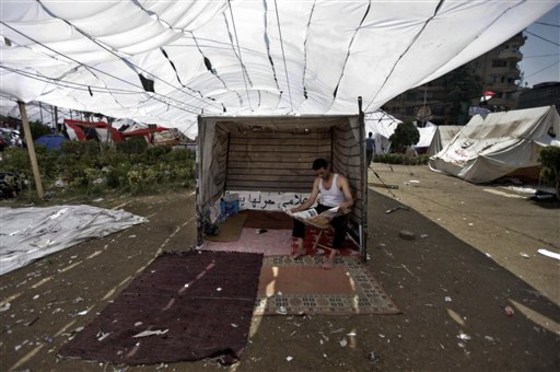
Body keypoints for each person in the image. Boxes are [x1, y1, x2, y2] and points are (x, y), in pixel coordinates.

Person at [290, 158, 354, 270]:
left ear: (328, 168)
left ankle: (331, 257)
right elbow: (310, 200)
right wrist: (298, 209)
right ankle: (301, 248)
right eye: (318, 174)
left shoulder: (340, 179)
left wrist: (346, 204)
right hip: (322, 208)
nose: (321, 175)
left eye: (322, 172)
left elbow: (350, 199)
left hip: (337, 209)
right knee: (298, 217)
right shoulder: (317, 181)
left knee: (341, 223)